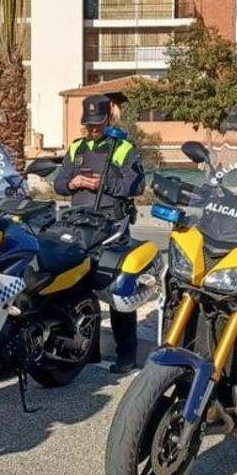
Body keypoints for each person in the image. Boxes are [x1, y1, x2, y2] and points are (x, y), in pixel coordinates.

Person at [53, 94, 146, 374]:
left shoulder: (124, 148)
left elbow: (136, 185)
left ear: (109, 119)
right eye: (89, 125)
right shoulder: (76, 148)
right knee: (79, 289)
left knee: (117, 291)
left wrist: (103, 183)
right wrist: (73, 182)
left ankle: (126, 355)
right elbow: (58, 182)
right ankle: (88, 352)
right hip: (78, 226)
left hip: (111, 227)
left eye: (98, 125)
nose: (93, 130)